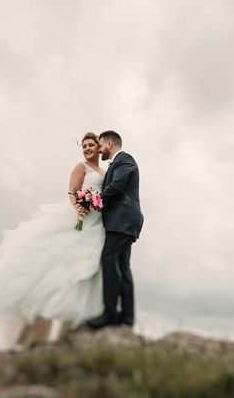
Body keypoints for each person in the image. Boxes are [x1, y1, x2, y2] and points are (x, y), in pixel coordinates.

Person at [0, 132, 106, 330]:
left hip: (96, 221)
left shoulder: (104, 172)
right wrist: (79, 207)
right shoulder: (81, 168)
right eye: (84, 146)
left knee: (86, 267)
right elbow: (72, 192)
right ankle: (44, 312)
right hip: (79, 216)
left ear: (99, 147)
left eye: (91, 145)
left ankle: (77, 318)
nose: (87, 148)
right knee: (61, 261)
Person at [86, 130, 144, 329]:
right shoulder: (118, 163)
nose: (99, 149)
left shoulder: (125, 159)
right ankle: (126, 317)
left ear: (109, 144)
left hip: (122, 220)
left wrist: (97, 201)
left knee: (109, 261)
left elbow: (118, 184)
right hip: (125, 222)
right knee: (122, 267)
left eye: (100, 145)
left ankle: (110, 315)